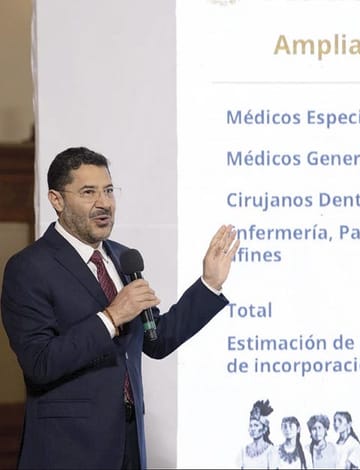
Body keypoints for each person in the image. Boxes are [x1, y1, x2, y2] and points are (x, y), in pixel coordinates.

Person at [0, 146, 240, 470]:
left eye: (109, 190)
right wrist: (111, 317)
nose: (104, 203)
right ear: (56, 200)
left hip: (128, 445)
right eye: (89, 192)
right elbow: (39, 363)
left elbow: (156, 340)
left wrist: (208, 284)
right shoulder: (29, 268)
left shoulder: (123, 258)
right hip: (67, 450)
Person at [240, 399, 277, 469]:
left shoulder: (271, 450)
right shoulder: (244, 451)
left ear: (264, 429)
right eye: (251, 426)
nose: (252, 429)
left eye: (256, 425)